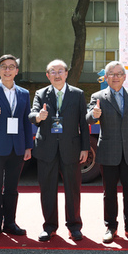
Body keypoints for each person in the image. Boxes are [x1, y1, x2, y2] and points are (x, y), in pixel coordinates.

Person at [29, 59, 90, 242]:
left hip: (71, 148)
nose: (57, 75)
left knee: (73, 190)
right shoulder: (41, 94)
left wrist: (85, 148)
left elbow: (83, 123)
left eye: (60, 71)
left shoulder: (77, 94)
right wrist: (38, 117)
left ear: (66, 73)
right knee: (47, 190)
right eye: (53, 72)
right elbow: (32, 114)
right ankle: (49, 227)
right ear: (48, 75)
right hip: (46, 149)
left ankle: (74, 226)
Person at [86, 61, 128, 244]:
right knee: (109, 192)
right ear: (106, 77)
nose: (116, 77)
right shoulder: (98, 97)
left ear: (124, 77)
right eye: (112, 73)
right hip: (108, 151)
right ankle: (111, 227)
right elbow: (88, 118)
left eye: (119, 73)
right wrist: (94, 115)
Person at [0, 54, 33, 240]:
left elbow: (26, 121)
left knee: (12, 188)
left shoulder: (24, 93)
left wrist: (28, 146)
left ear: (17, 71)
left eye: (12, 66)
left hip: (17, 148)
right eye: (4, 66)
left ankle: (10, 223)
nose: (8, 70)